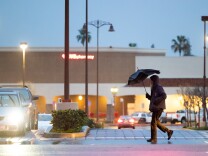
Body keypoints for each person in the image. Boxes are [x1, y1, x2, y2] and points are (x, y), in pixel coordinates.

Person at [145, 75, 173, 144]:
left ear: (154, 80)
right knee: (155, 122)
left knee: (153, 122)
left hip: (158, 108)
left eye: (151, 80)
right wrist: (149, 97)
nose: (150, 82)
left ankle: (154, 139)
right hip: (155, 108)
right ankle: (168, 131)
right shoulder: (154, 88)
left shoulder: (158, 87)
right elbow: (153, 99)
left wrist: (157, 100)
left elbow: (164, 95)